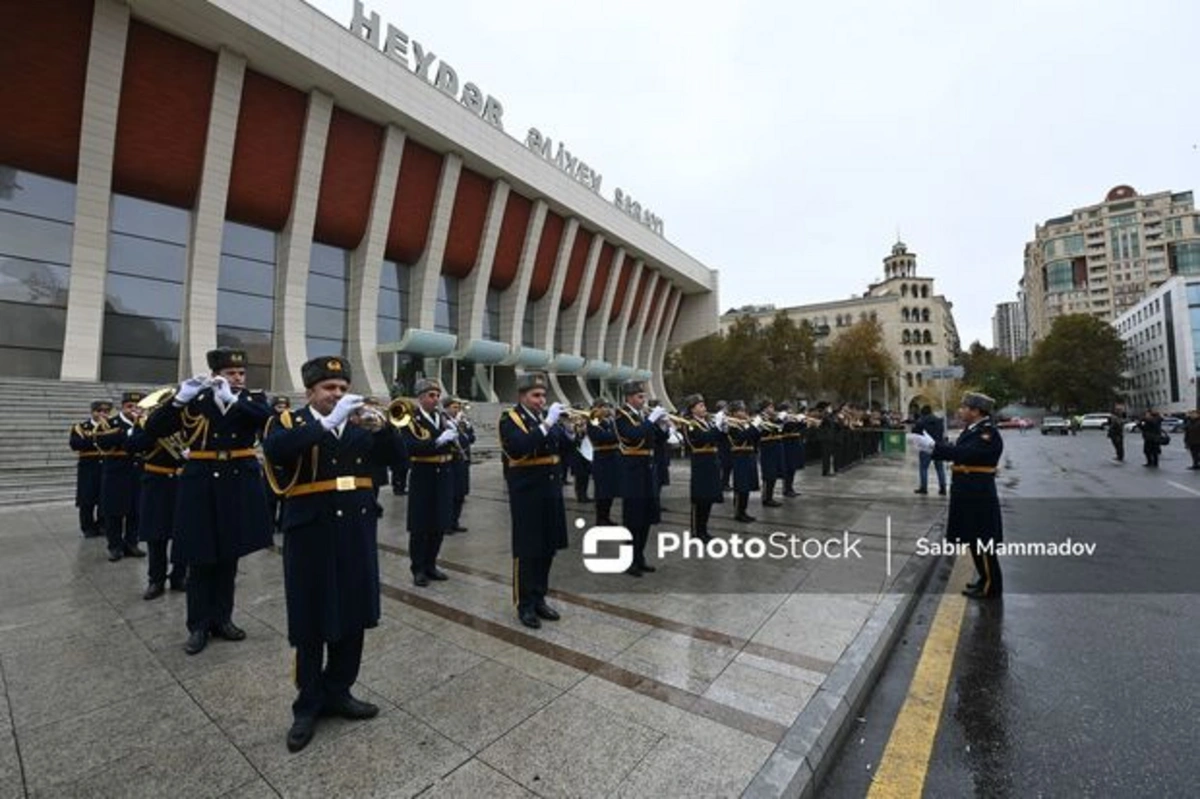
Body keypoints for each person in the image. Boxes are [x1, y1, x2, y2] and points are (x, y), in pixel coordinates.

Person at [262, 355, 393, 753]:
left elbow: (397, 462)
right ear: (310, 393)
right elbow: (277, 451)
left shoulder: (359, 424)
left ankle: (340, 691)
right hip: (311, 533)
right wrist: (328, 422)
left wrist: (384, 430)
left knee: (352, 613)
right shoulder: (289, 422)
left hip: (355, 530)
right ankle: (308, 704)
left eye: (341, 388)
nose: (336, 394)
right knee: (312, 619)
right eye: (328, 389)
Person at [143, 348, 273, 655]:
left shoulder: (251, 399)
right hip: (200, 482)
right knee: (200, 557)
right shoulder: (195, 401)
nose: (238, 378)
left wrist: (234, 398)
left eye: (241, 374)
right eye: (230, 374)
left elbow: (268, 424)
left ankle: (223, 619)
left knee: (229, 555)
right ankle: (198, 625)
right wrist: (178, 400)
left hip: (237, 480)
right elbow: (153, 429)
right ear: (216, 374)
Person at [911, 392, 1003, 599]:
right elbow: (960, 451)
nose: (960, 411)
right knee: (974, 539)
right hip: (969, 492)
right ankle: (983, 579)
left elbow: (964, 454)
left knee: (983, 540)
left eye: (964, 407)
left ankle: (991, 586)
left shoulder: (987, 433)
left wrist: (933, 447)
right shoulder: (973, 430)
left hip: (978, 494)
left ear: (976, 411)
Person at [498, 372, 571, 628]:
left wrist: (568, 430)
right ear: (522, 396)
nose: (541, 400)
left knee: (547, 547)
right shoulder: (510, 418)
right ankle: (525, 604)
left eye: (543, 395)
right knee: (528, 550)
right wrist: (548, 424)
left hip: (550, 490)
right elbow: (519, 446)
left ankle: (539, 597)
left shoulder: (544, 419)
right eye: (536, 395)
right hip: (527, 492)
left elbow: (562, 448)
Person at [400, 378, 458, 586]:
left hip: (444, 474)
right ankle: (418, 569)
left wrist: (455, 434)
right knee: (420, 524)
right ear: (421, 397)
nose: (436, 399)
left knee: (439, 523)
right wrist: (439, 441)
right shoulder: (409, 419)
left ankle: (431, 564)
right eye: (431, 395)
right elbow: (410, 446)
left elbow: (461, 445)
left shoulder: (441, 417)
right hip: (423, 474)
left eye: (437, 395)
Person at [128, 407, 187, 599]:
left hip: (182, 481)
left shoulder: (186, 423)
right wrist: (153, 431)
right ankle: (156, 579)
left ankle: (179, 576)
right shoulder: (146, 425)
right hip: (156, 482)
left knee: (182, 533)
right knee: (156, 534)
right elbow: (133, 446)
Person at [616, 379, 668, 576]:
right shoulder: (622, 416)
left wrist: (663, 425)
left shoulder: (643, 415)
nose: (643, 400)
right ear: (629, 397)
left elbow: (660, 440)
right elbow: (633, 435)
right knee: (633, 519)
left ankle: (640, 557)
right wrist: (651, 420)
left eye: (644, 396)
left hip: (648, 470)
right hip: (632, 471)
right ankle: (629, 561)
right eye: (640, 396)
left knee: (646, 517)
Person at [94, 392, 146, 562]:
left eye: (137, 407)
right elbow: (102, 442)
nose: (133, 410)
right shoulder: (110, 423)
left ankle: (132, 543)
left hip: (137, 472)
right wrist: (129, 433)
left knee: (135, 511)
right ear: (122, 407)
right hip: (116, 472)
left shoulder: (145, 424)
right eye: (129, 407)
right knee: (114, 512)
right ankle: (114, 546)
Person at [681, 394, 722, 542]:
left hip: (711, 461)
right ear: (692, 409)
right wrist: (718, 427)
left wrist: (722, 428)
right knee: (700, 498)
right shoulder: (690, 423)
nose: (704, 408)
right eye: (700, 406)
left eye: (703, 405)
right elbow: (705, 438)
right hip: (700, 462)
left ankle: (704, 529)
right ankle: (696, 531)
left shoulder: (707, 422)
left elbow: (717, 438)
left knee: (709, 497)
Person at [69, 400, 110, 538]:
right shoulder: (80, 427)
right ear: (92, 412)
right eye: (98, 411)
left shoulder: (111, 427)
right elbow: (75, 444)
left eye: (105, 412)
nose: (102, 414)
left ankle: (103, 525)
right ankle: (87, 527)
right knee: (86, 499)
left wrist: (91, 441)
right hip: (88, 466)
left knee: (104, 496)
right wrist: (96, 440)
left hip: (106, 465)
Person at [443, 396, 474, 533]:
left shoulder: (461, 422)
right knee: (450, 495)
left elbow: (471, 439)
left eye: (458, 407)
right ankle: (446, 523)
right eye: (454, 407)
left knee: (460, 494)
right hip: (451, 461)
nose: (457, 410)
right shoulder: (444, 421)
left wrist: (467, 428)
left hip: (462, 460)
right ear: (446, 408)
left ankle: (455, 521)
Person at [726, 400, 760, 522]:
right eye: (740, 410)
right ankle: (738, 512)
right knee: (741, 485)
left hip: (749, 455)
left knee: (748, 485)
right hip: (739, 456)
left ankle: (744, 511)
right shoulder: (731, 425)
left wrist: (754, 426)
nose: (744, 412)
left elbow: (755, 437)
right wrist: (752, 426)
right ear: (734, 413)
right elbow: (740, 438)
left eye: (744, 410)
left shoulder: (744, 424)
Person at [586, 399, 619, 525]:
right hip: (602, 458)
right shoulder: (594, 420)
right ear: (596, 408)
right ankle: (600, 518)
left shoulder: (610, 420)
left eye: (607, 406)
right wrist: (616, 436)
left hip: (612, 458)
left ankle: (606, 516)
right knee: (602, 490)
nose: (606, 409)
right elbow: (601, 437)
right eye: (603, 407)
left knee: (610, 490)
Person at [265, 396, 292, 531]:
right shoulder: (271, 421)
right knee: (270, 498)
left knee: (286, 498)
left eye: (285, 407)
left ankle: (283, 524)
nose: (282, 410)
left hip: (287, 464)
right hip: (272, 465)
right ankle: (269, 525)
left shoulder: (291, 421)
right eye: (279, 407)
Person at [912, 405, 947, 495]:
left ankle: (924, 488)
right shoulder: (939, 421)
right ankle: (942, 488)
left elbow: (915, 432)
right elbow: (942, 433)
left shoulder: (921, 421)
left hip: (926, 447)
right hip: (938, 447)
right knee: (940, 468)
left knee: (923, 468)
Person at [756, 399, 784, 508]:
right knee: (768, 474)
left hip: (776, 447)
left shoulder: (774, 418)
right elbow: (763, 432)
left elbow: (781, 428)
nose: (772, 409)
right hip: (767, 448)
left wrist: (777, 419)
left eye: (772, 407)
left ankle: (770, 497)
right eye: (770, 407)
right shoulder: (761, 419)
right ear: (765, 408)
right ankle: (766, 498)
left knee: (774, 474)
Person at [778, 402, 805, 497]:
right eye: (789, 409)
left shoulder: (791, 418)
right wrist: (795, 420)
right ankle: (786, 489)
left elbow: (801, 428)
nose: (791, 411)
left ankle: (790, 487)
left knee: (792, 467)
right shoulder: (782, 418)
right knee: (788, 467)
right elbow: (788, 427)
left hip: (794, 444)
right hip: (787, 444)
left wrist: (802, 421)